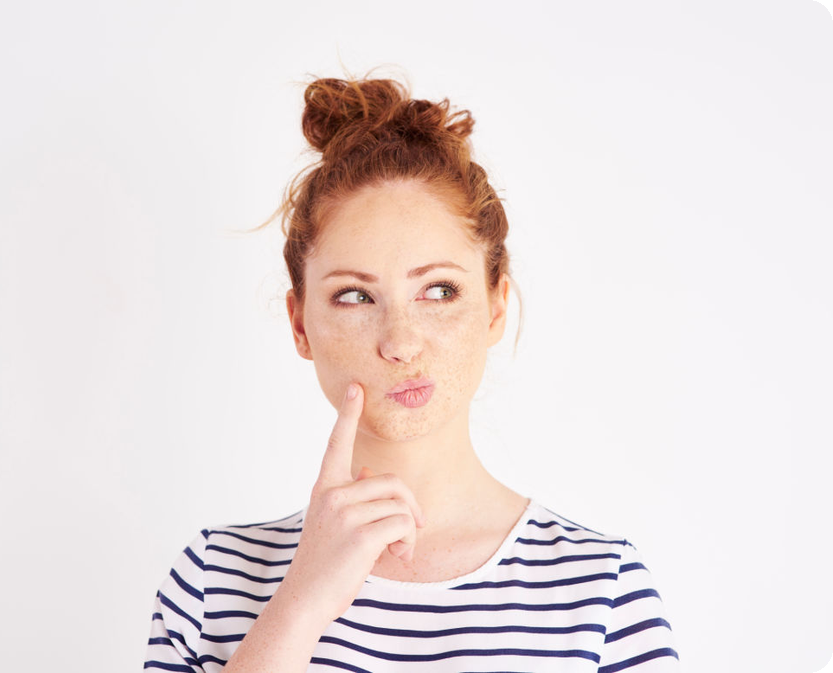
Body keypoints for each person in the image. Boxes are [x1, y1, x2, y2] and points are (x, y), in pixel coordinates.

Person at [143, 72, 681, 672]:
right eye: (354, 296)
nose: (400, 342)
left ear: (495, 307)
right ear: (300, 325)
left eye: (439, 290)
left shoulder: (602, 589)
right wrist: (301, 605)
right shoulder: (213, 581)